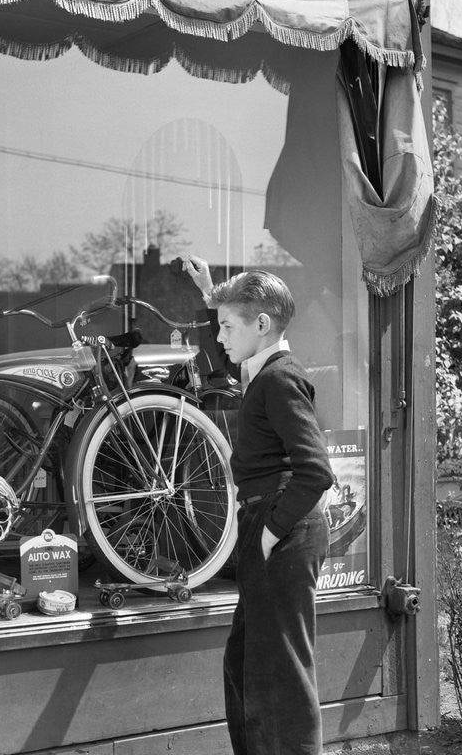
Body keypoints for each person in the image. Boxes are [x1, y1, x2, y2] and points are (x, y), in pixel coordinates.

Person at [184, 255, 332, 755]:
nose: (221, 337)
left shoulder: (280, 379)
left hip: (281, 528)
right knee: (246, 663)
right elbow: (231, 352)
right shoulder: (263, 370)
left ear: (262, 325)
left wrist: (269, 535)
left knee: (282, 673)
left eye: (228, 326)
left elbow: (316, 471)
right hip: (268, 525)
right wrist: (213, 301)